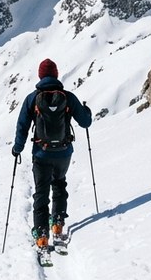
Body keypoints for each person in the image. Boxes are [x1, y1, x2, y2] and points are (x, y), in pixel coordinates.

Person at [12, 57, 92, 247]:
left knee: (41, 192)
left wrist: (18, 148)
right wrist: (86, 111)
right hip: (64, 153)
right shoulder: (68, 97)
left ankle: (41, 234)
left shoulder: (32, 98)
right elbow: (85, 122)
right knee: (59, 184)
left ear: (40, 76)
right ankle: (57, 223)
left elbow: (22, 126)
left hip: (41, 153)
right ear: (56, 75)